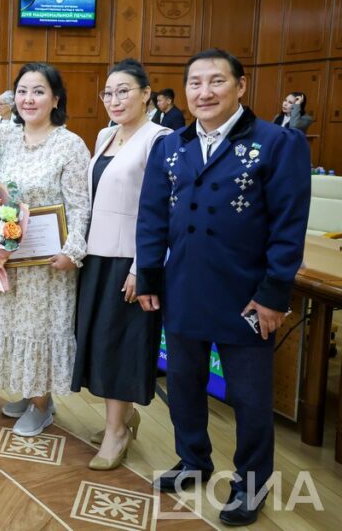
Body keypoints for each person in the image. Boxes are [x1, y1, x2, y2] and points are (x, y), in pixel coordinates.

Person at [137, 49, 311, 526]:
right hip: (183, 288)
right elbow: (152, 216)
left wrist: (274, 295)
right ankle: (193, 459)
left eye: (216, 81)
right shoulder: (171, 146)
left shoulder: (277, 143)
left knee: (250, 398)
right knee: (184, 385)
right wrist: (149, 274)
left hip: (247, 296)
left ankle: (251, 483)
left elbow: (289, 227)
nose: (204, 92)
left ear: (241, 86)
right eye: (195, 83)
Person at [71, 59, 170, 469]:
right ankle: (123, 419)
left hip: (130, 259)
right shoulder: (105, 134)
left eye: (124, 90)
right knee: (100, 342)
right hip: (97, 255)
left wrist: (141, 268)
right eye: (108, 93)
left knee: (121, 346)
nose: (114, 99)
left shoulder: (160, 139)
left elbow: (161, 209)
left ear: (146, 94)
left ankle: (116, 433)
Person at [0, 62, 90, 437]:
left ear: (55, 99)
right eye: (23, 91)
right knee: (13, 325)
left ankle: (42, 405)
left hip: (49, 263)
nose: (29, 99)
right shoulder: (6, 137)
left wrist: (73, 251)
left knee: (41, 330)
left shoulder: (70, 145)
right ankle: (31, 394)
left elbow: (80, 206)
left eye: (39, 91)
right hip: (12, 258)